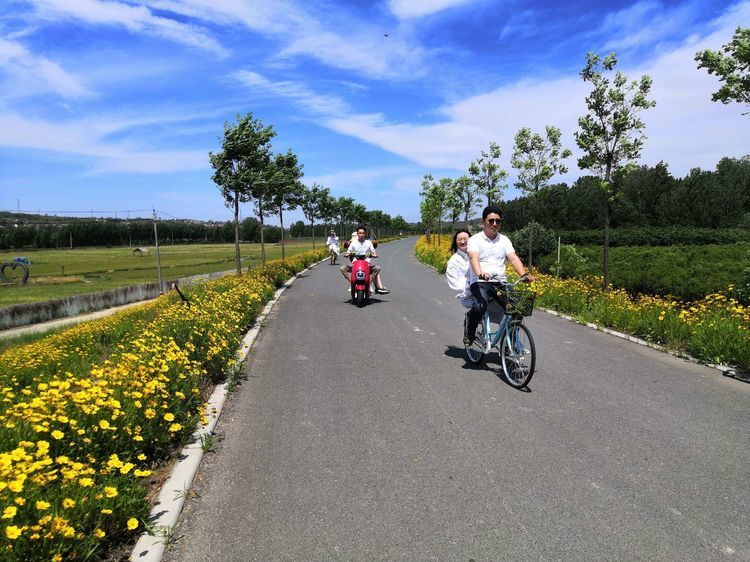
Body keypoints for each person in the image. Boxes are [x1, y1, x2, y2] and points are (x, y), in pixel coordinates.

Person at [464, 206, 534, 345]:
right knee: (479, 306)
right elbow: (473, 258)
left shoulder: (504, 240)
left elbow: (513, 258)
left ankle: (511, 342)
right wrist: (480, 273)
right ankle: (469, 332)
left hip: (500, 282)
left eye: (498, 221)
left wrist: (524, 274)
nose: (494, 224)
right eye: (491, 221)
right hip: (480, 282)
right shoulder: (475, 240)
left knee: (518, 307)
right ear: (483, 221)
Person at [340, 226, 390, 294]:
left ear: (365, 234)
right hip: (355, 264)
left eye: (363, 233)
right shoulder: (353, 243)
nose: (361, 235)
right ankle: (352, 282)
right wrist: (347, 254)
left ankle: (368, 282)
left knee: (377, 268)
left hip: (367, 264)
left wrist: (374, 254)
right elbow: (348, 251)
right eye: (360, 233)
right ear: (357, 234)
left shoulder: (368, 243)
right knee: (342, 268)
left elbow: (373, 251)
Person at [446, 229, 473, 309]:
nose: (462, 242)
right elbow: (454, 281)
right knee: (478, 310)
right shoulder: (453, 261)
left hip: (486, 290)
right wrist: (469, 289)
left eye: (465, 239)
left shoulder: (478, 254)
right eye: (459, 239)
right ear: (455, 242)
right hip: (469, 296)